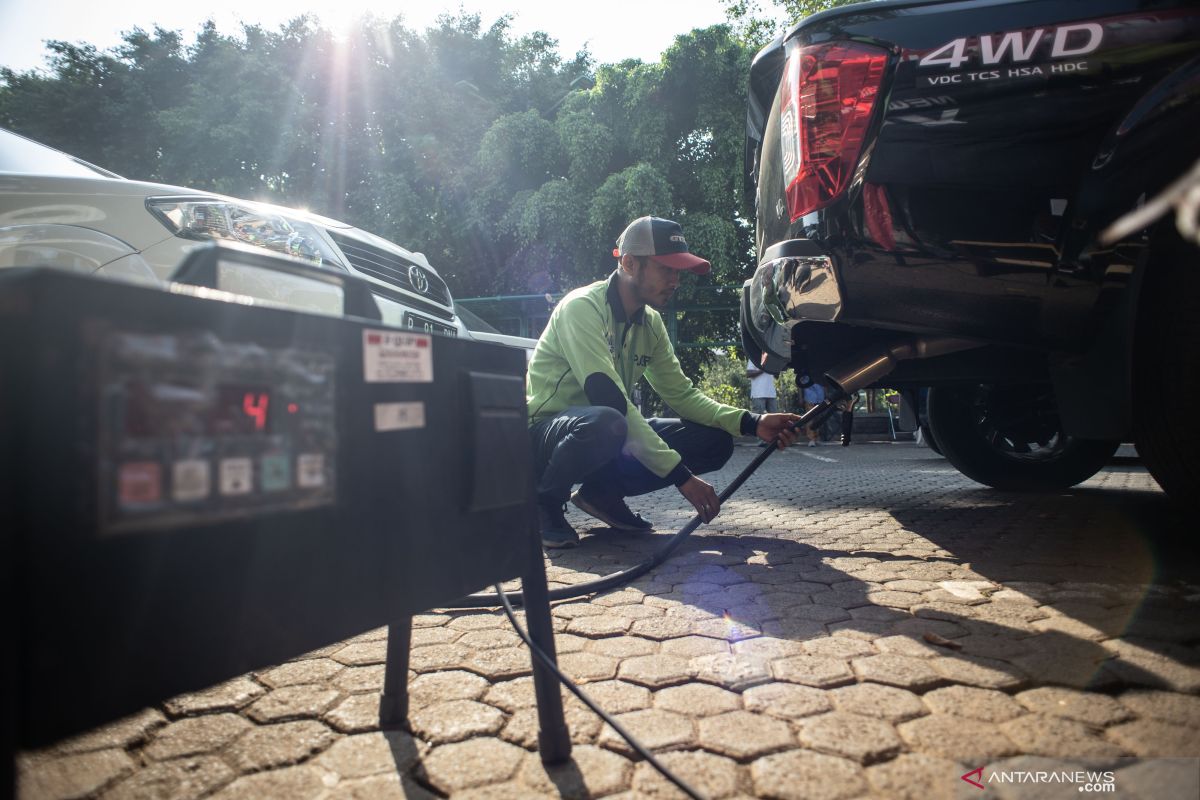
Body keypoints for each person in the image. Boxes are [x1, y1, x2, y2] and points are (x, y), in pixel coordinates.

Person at [526, 216, 802, 548]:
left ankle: (602, 494)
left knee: (714, 441)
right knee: (608, 421)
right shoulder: (581, 308)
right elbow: (608, 398)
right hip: (546, 436)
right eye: (666, 269)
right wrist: (681, 477)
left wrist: (751, 422)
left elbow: (682, 395)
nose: (675, 281)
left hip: (604, 430)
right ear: (629, 263)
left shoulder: (650, 323)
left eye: (678, 272)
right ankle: (544, 504)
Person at [746, 358, 779, 447]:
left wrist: (775, 371)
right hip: (758, 393)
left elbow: (776, 376)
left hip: (771, 392)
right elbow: (748, 374)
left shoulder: (771, 359)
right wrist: (763, 370)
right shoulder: (753, 358)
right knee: (758, 418)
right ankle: (761, 440)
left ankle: (775, 439)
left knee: (775, 417)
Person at [800, 379, 826, 446]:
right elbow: (800, 383)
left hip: (820, 396)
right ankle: (811, 439)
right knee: (810, 419)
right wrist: (800, 397)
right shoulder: (804, 370)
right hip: (809, 396)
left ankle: (816, 438)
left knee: (818, 418)